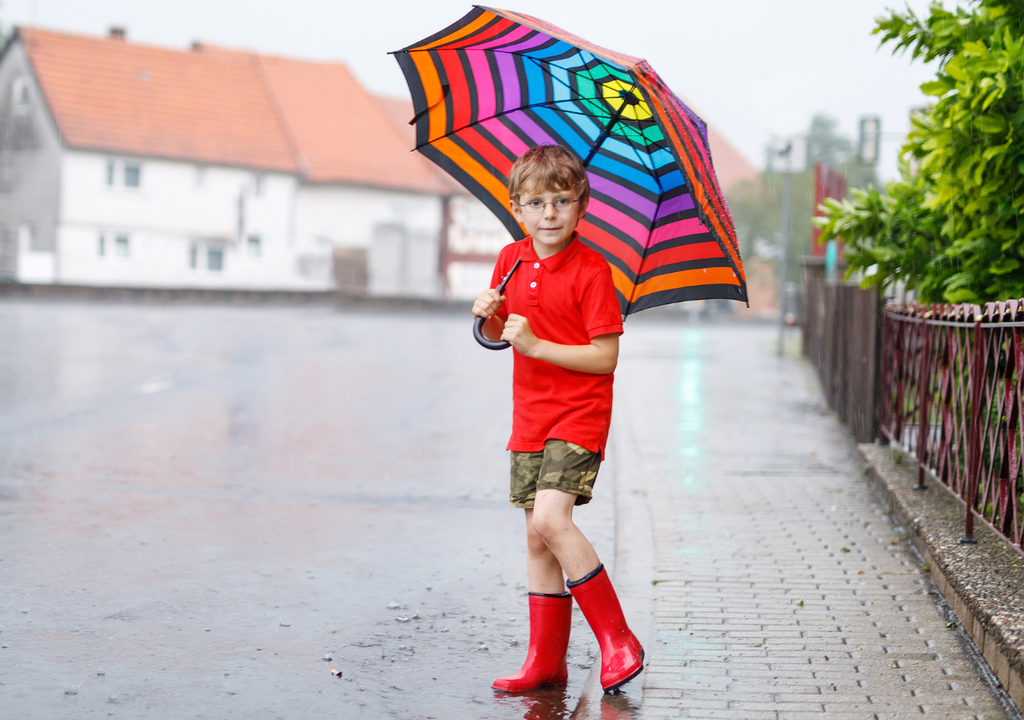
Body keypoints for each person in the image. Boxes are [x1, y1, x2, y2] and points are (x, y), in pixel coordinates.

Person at [472, 145, 644, 694]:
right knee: (535, 538)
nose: (549, 213)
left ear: (581, 205)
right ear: (517, 208)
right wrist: (486, 314)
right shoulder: (510, 259)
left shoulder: (593, 270)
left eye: (562, 201)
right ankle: (546, 662)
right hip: (531, 415)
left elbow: (605, 357)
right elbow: (500, 333)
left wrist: (538, 346)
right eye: (536, 203)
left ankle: (619, 639)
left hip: (579, 413)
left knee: (551, 519)